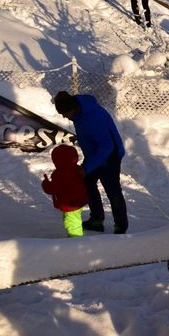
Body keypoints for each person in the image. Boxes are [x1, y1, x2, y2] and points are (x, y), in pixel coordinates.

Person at [53, 91, 128, 234]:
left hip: (109, 157)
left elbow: (106, 146)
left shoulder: (92, 117)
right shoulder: (78, 112)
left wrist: (86, 167)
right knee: (87, 184)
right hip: (94, 155)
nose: (64, 116)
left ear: (72, 108)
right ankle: (96, 220)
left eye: (64, 113)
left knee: (113, 191)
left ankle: (121, 227)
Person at [41, 143, 89, 238]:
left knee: (72, 223)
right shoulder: (77, 169)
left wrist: (45, 184)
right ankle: (76, 235)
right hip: (79, 201)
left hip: (70, 204)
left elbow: (52, 189)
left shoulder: (59, 174)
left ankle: (76, 241)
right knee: (74, 218)